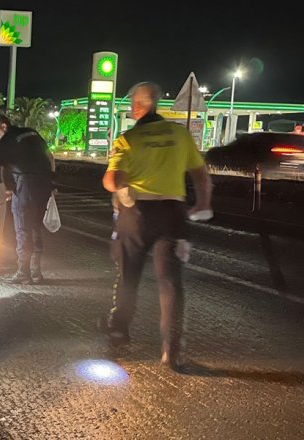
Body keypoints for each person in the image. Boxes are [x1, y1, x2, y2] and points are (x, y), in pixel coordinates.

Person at [99, 82, 213, 370]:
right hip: (173, 213)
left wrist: (120, 182)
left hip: (137, 214)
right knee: (170, 282)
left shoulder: (129, 139)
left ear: (139, 106)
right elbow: (200, 173)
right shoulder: (180, 134)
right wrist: (202, 203)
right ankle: (172, 351)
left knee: (128, 275)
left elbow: (112, 181)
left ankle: (119, 331)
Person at [0, 114, 56, 284]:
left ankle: (23, 273)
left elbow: (1, 169)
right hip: (44, 183)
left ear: (3, 127)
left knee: (23, 228)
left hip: (25, 183)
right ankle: (36, 273)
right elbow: (50, 157)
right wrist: (52, 182)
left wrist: (8, 189)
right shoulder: (31, 133)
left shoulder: (4, 142)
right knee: (35, 226)